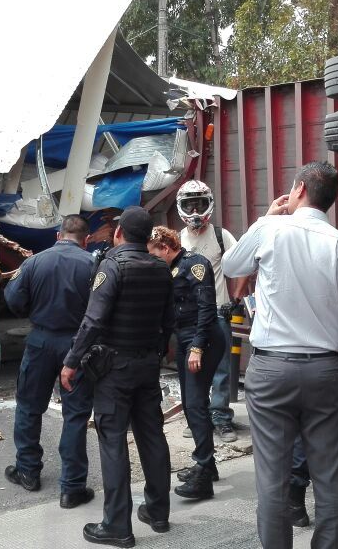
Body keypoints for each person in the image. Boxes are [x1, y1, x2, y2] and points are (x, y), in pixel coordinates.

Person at [223, 162, 338, 549]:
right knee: (328, 475)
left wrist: (266, 217)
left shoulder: (270, 229)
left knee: (271, 479)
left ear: (299, 189)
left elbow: (231, 265)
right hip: (326, 372)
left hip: (272, 369)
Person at [60, 206, 175, 548]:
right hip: (146, 365)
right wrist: (157, 352)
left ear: (119, 233)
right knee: (152, 436)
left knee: (112, 441)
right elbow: (169, 321)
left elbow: (93, 321)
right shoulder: (160, 268)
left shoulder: (111, 267)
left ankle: (116, 525)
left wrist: (71, 361)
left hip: (115, 369)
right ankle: (157, 512)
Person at [2, 215, 96, 509]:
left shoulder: (34, 263)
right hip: (78, 345)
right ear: (86, 239)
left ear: (58, 235)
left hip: (41, 341)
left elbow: (14, 300)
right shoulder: (93, 265)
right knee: (76, 414)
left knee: (30, 406)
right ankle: (72, 487)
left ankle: (28, 471)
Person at [147, 226, 224, 500]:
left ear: (165, 248)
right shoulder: (171, 268)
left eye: (154, 254)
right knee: (193, 405)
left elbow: (206, 309)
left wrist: (197, 347)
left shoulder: (195, 264)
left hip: (202, 340)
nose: (153, 260)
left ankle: (203, 471)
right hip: (185, 340)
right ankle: (208, 465)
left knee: (194, 403)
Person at [177, 180, 241, 443]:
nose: (194, 211)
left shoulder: (220, 236)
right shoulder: (177, 239)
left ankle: (222, 419)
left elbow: (242, 263)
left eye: (199, 204)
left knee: (221, 369)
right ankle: (195, 417)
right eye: (188, 205)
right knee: (190, 370)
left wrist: (235, 298)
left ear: (209, 205)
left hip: (217, 313)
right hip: (187, 318)